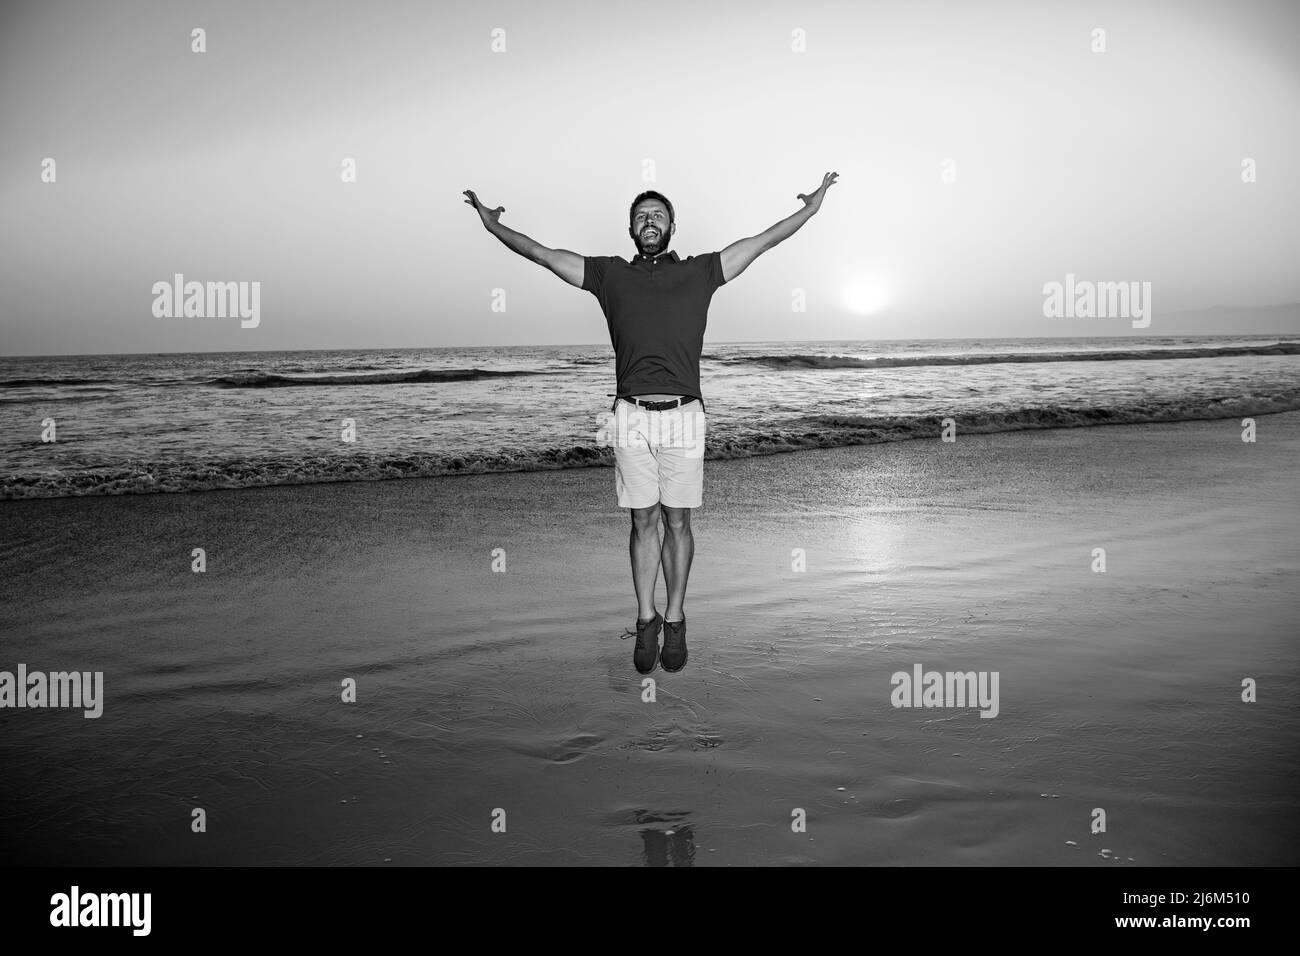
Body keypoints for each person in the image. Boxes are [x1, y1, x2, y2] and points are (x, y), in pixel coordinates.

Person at [463, 173, 838, 673]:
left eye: (658, 215)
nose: (650, 222)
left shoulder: (703, 272)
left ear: (673, 226)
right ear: (631, 229)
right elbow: (543, 254)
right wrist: (493, 228)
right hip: (629, 416)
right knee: (642, 520)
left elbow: (764, 240)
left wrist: (811, 210)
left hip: (685, 414)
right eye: (641, 217)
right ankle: (646, 619)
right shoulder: (609, 275)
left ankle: (676, 619)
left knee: (678, 520)